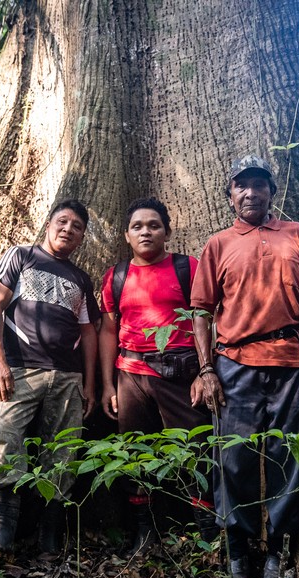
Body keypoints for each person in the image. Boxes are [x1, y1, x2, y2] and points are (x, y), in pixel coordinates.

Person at [190, 155, 299, 578]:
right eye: (241, 186)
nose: (251, 192)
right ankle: (237, 550)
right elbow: (201, 312)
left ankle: (276, 553)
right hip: (234, 366)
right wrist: (206, 369)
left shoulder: (298, 235)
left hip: (293, 364)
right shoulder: (218, 244)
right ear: (230, 195)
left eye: (259, 185)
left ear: (272, 192)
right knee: (233, 459)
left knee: (291, 457)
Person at [0, 199, 100, 562]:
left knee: (62, 452)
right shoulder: (21, 256)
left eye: (77, 227)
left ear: (81, 238)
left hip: (67, 377)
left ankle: (49, 539)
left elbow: (89, 333)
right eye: (63, 221)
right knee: (5, 439)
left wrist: (89, 384)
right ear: (48, 224)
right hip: (20, 370)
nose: (69, 229)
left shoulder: (81, 279)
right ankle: (2, 535)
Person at [98, 198, 219, 553]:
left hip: (181, 374)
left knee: (196, 451)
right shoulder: (116, 276)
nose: (146, 231)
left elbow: (206, 319)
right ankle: (145, 532)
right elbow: (108, 331)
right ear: (127, 236)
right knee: (136, 454)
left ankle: (208, 532)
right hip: (131, 374)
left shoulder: (188, 267)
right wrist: (108, 384)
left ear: (167, 231)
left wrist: (205, 370)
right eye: (138, 226)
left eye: (153, 225)